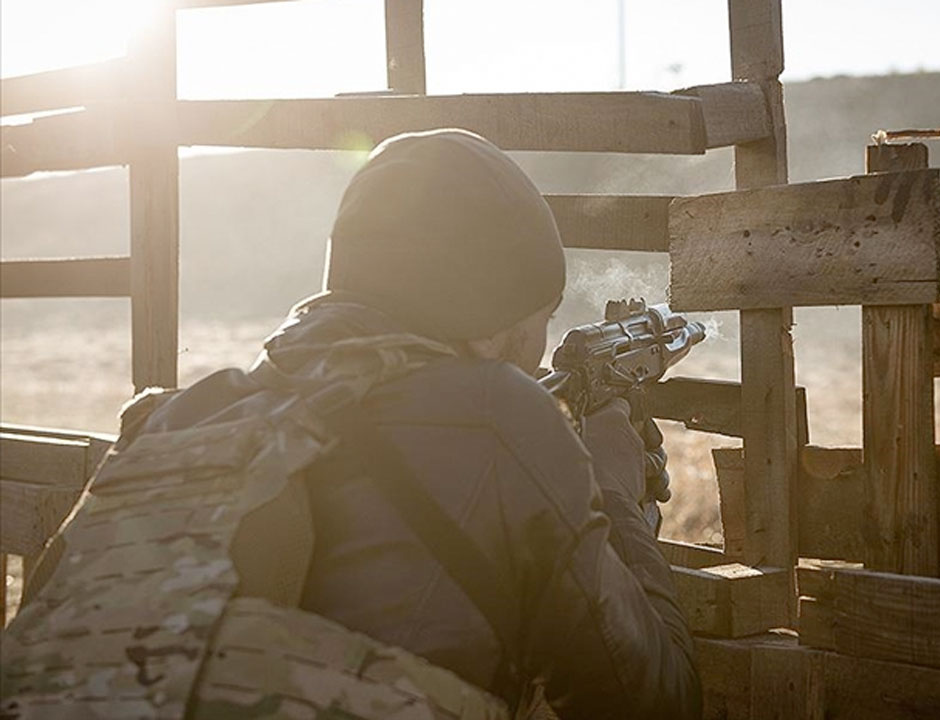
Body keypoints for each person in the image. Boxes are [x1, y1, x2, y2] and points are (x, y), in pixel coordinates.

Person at [2, 129, 700, 720]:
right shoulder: (498, 419)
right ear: (489, 328)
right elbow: (657, 698)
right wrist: (611, 485)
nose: (539, 351)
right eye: (537, 321)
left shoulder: (185, 413)